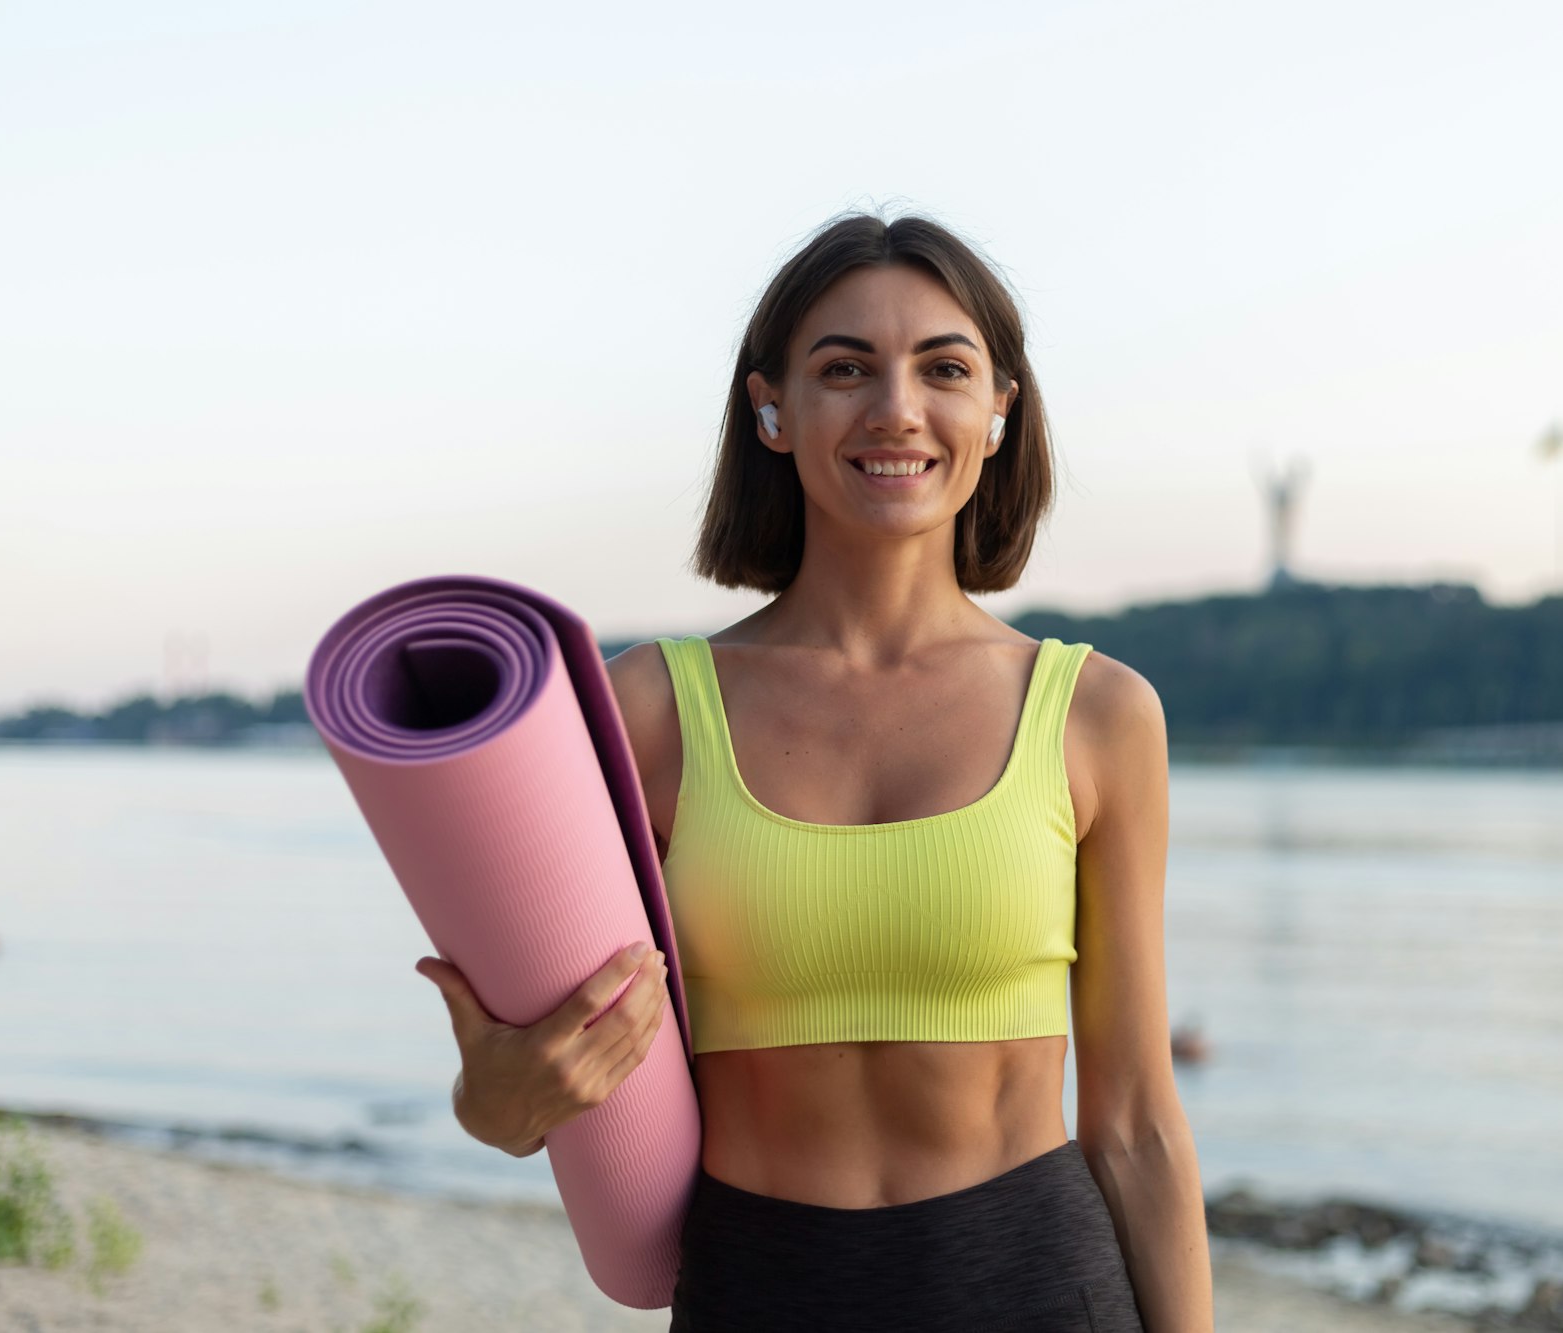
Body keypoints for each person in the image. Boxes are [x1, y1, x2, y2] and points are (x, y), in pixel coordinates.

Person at [415, 212, 1211, 1331]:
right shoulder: (646, 710)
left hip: (1035, 1285)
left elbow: (1132, 1119)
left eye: (944, 367)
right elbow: (512, 1106)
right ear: (771, 410)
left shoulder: (1096, 713)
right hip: (758, 1289)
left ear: (997, 410)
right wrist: (496, 1091)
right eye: (844, 369)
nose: (895, 408)